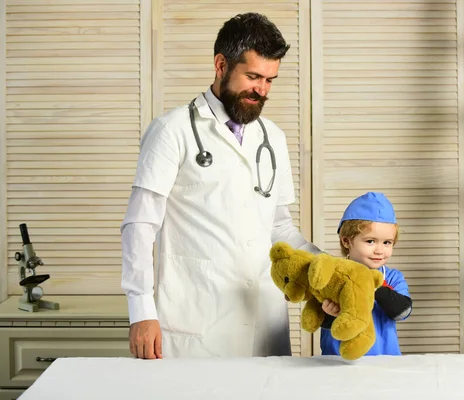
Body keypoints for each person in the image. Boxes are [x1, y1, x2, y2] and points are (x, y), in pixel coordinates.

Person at [120, 13, 321, 360]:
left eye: (270, 80)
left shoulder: (272, 137)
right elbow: (139, 225)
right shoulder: (172, 131)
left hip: (264, 321)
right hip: (199, 326)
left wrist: (327, 268)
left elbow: (279, 228)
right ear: (221, 64)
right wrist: (141, 309)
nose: (262, 90)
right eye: (253, 76)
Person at [320, 192, 412, 356]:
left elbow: (402, 312)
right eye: (370, 241)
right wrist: (328, 314)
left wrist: (372, 285)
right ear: (346, 241)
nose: (379, 250)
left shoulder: (392, 278)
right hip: (338, 363)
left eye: (387, 243)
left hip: (384, 361)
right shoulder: (332, 275)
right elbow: (318, 321)